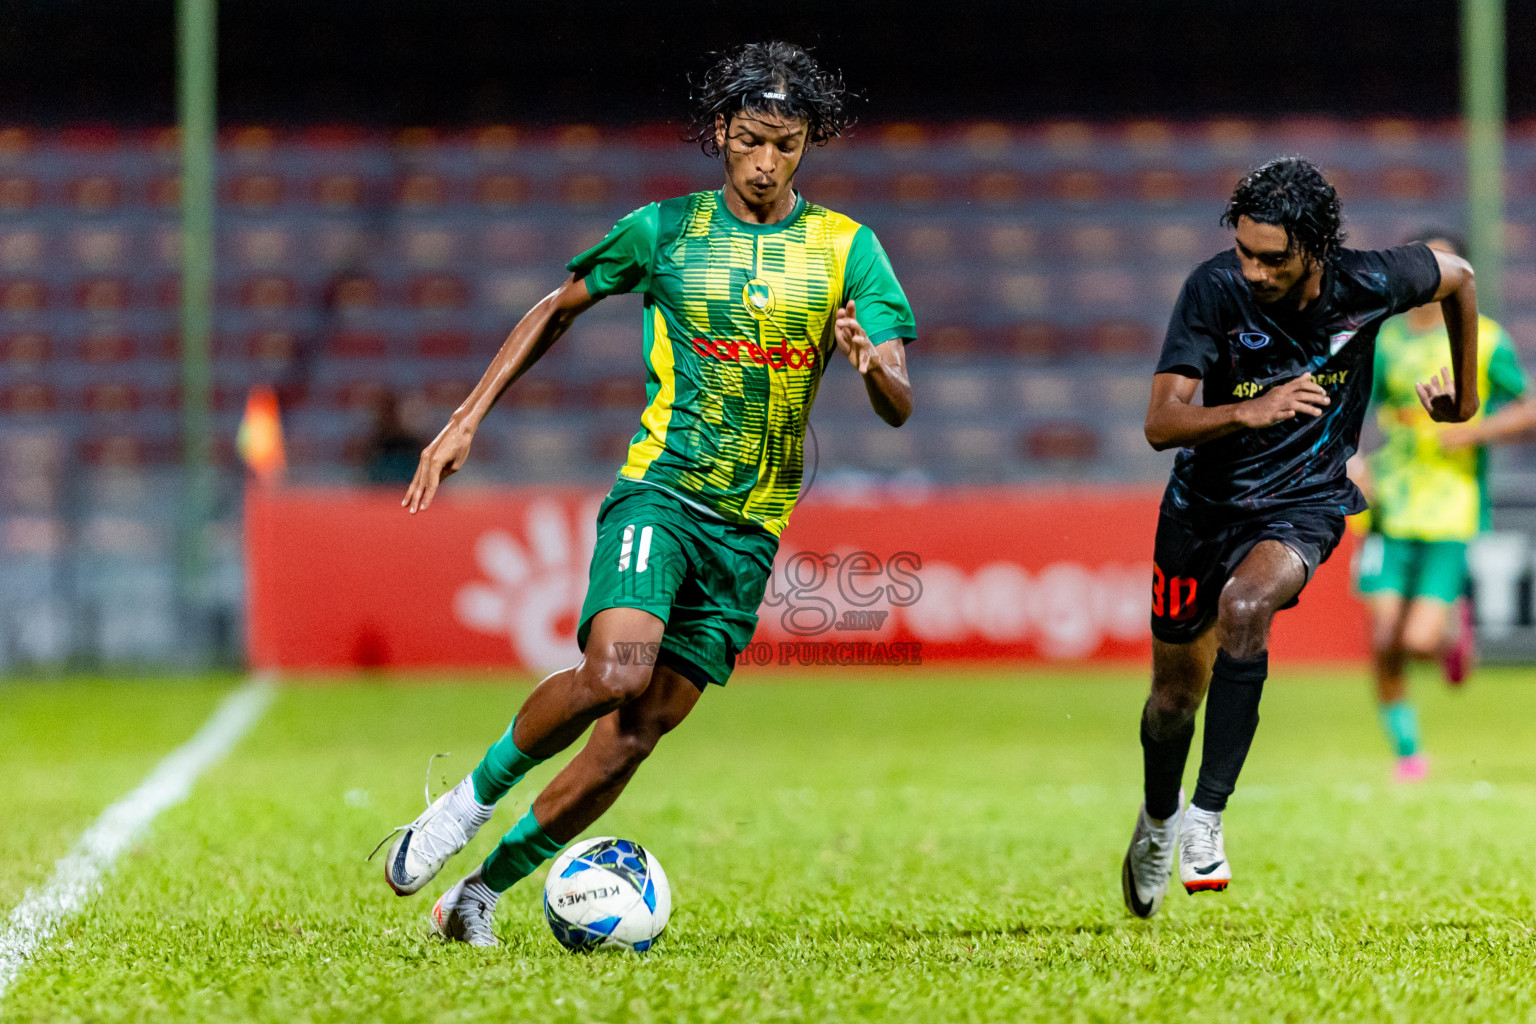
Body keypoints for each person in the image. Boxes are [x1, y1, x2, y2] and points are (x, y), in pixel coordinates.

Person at [376, 41, 916, 946]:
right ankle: (461, 806)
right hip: (661, 493)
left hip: (750, 531)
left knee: (636, 733)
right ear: (721, 134)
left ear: (806, 145)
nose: (764, 162)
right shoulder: (665, 231)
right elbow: (556, 306)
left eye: (785, 145)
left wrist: (871, 367)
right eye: (749, 141)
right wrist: (467, 416)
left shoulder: (847, 251)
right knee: (614, 674)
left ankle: (479, 893)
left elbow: (899, 400)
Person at [1121, 156, 1479, 919]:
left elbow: (1460, 274)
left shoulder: (1369, 283)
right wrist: (1245, 411)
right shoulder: (1213, 291)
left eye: (1272, 257)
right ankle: (1158, 818)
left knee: (1248, 607)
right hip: (1202, 508)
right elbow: (1160, 424)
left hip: (1305, 503)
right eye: (1246, 250)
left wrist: (1465, 395)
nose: (1253, 269)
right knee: (1170, 704)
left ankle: (1206, 818)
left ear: (1315, 247)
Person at [1351, 233, 1536, 782]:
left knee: (1418, 641)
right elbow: (1356, 412)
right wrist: (1356, 463)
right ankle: (1409, 754)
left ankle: (1452, 633)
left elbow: (1527, 409)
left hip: (1450, 508)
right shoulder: (1387, 342)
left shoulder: (1486, 341)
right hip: (1389, 503)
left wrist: (1475, 431)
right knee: (1384, 639)